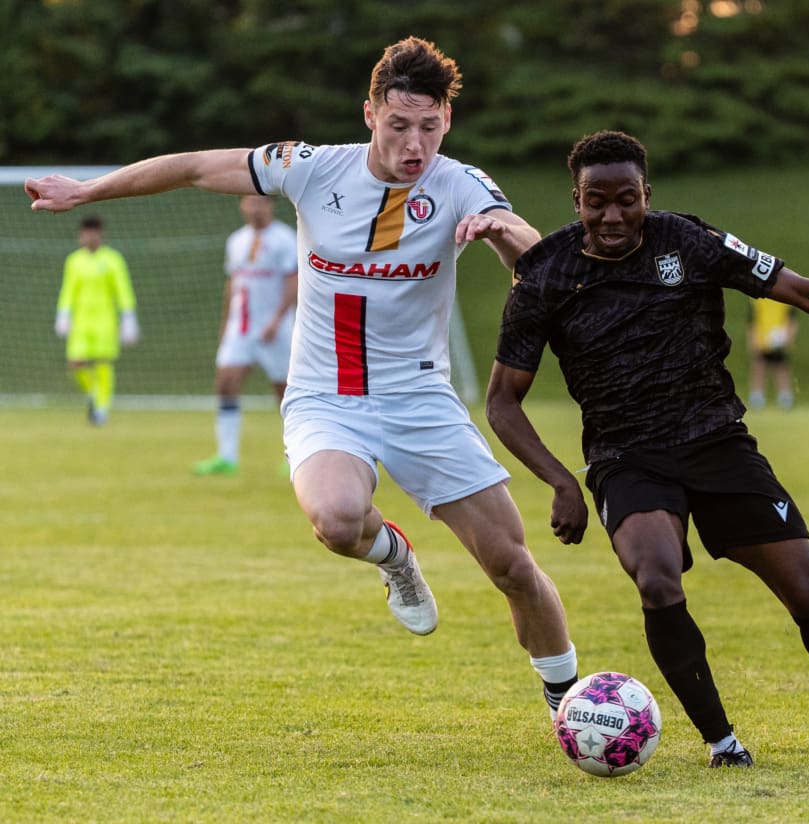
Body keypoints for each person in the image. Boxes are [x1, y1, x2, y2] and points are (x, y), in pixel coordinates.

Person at [26, 37, 578, 720]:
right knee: (337, 518)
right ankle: (394, 557)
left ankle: (569, 706)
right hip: (326, 397)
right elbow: (197, 166)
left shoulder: (461, 183)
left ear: (447, 122)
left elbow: (544, 259)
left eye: (429, 127)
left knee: (511, 566)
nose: (415, 144)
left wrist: (500, 231)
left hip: (419, 396)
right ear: (369, 113)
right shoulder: (312, 168)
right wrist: (87, 189)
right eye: (399, 124)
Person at [486, 130, 809, 767]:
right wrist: (562, 481)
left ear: (647, 194)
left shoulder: (690, 242)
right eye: (596, 202)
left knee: (807, 591)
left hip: (715, 439)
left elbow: (802, 290)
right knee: (656, 577)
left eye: (625, 199)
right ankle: (723, 745)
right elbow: (503, 399)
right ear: (576, 200)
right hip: (627, 455)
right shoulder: (545, 273)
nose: (611, 215)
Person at [193, 195, 298, 476]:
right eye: (250, 202)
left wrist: (277, 319)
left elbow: (294, 281)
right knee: (226, 383)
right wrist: (226, 322)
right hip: (241, 327)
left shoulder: (285, 239)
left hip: (275, 328)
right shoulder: (236, 240)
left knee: (286, 392)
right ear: (242, 205)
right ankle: (226, 457)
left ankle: (295, 456)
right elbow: (233, 283)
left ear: (270, 205)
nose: (255, 208)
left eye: (260, 203)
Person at [54, 215, 139, 425]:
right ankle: (93, 392)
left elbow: (123, 289)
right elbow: (68, 290)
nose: (89, 237)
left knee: (102, 363)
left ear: (101, 234)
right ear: (80, 236)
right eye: (86, 233)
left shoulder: (112, 259)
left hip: (105, 321)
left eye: (94, 233)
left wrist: (128, 317)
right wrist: (63, 313)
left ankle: (102, 408)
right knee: (76, 363)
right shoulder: (74, 260)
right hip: (81, 322)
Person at [747, 296, 797, 410]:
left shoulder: (785, 299)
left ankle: (785, 398)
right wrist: (753, 339)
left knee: (781, 367)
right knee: (759, 366)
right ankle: (757, 397)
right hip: (762, 337)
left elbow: (791, 319)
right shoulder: (756, 299)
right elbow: (752, 321)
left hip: (779, 339)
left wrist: (789, 338)